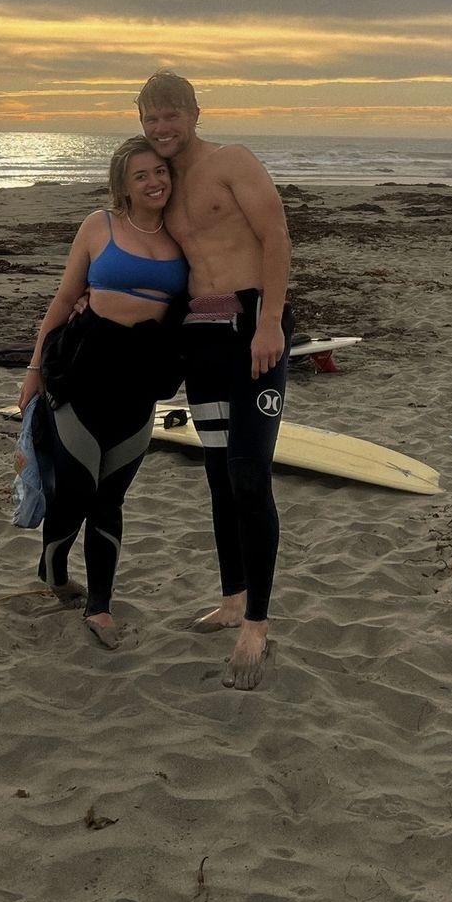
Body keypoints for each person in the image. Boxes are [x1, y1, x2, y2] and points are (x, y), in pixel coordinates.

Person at [137, 70, 292, 691]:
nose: (162, 127)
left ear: (195, 114)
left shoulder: (232, 161)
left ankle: (257, 622)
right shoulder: (163, 185)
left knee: (250, 474)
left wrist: (271, 322)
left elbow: (276, 235)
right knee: (219, 476)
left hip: (252, 327)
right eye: (151, 118)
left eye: (171, 115)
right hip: (201, 336)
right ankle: (232, 599)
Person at [17, 136, 188, 649]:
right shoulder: (100, 226)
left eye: (160, 171)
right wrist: (34, 369)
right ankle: (54, 571)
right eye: (141, 175)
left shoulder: (183, 232)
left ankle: (101, 606)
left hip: (140, 381)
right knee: (75, 492)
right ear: (123, 185)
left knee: (111, 497)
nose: (154, 182)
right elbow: (64, 298)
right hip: (83, 372)